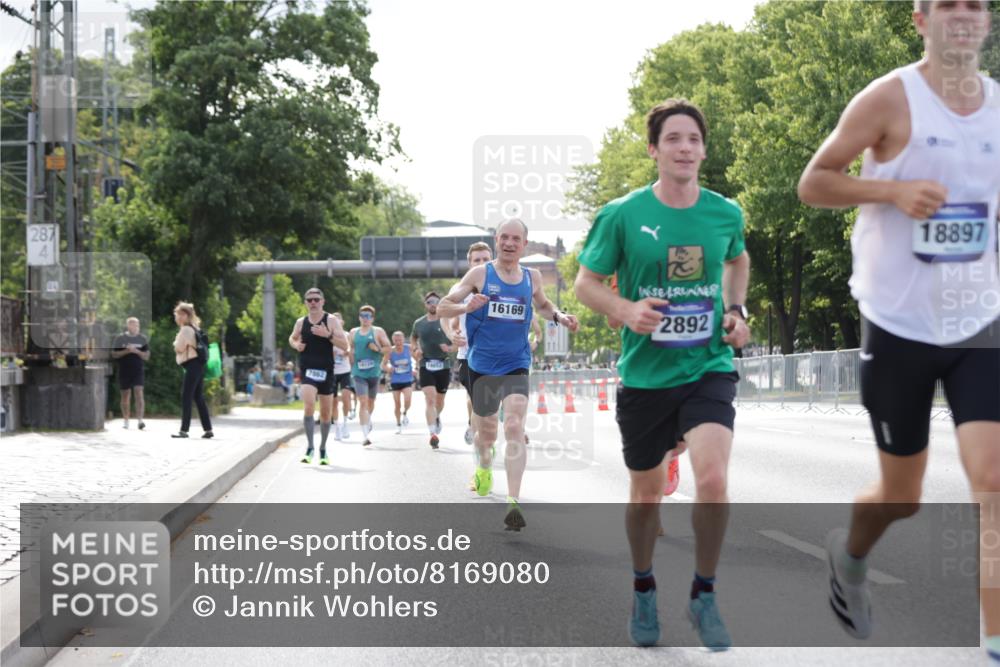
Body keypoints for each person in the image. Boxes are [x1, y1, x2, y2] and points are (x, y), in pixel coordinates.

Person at [797, 1, 1000, 657]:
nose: (963, 14)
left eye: (976, 4)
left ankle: (993, 638)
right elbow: (814, 182)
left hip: (980, 320)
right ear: (921, 20)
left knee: (993, 480)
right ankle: (850, 553)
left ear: (987, 22)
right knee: (902, 495)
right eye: (948, 4)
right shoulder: (889, 98)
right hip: (897, 323)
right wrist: (892, 192)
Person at [574, 98, 751, 650]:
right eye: (673, 139)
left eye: (694, 139)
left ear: (704, 149)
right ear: (654, 150)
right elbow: (586, 284)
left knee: (715, 478)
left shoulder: (725, 213)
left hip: (707, 367)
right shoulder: (622, 214)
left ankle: (704, 593)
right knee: (646, 497)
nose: (685, 148)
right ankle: (644, 585)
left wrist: (736, 309)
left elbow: (737, 259)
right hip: (646, 377)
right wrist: (626, 312)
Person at [439, 218, 579, 531]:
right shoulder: (480, 273)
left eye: (516, 238)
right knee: (486, 435)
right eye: (504, 237)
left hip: (517, 361)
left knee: (514, 425)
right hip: (482, 366)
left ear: (524, 244)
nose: (509, 243)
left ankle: (513, 503)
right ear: (497, 239)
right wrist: (466, 307)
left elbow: (541, 305)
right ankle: (484, 468)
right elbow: (444, 307)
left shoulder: (532, 277)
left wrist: (558, 316)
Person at [289, 288, 348, 465]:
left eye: (316, 299)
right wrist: (296, 345)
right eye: (309, 300)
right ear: (306, 303)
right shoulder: (301, 322)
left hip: (327, 371)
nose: (313, 303)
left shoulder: (331, 320)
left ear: (323, 301)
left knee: (325, 412)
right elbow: (292, 338)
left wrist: (328, 335)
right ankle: (309, 447)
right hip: (308, 369)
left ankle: (322, 448)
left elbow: (345, 345)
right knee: (308, 405)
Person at [446, 242, 494, 446]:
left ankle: (483, 441)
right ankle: (483, 448)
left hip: (502, 356)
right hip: (470, 356)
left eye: (486, 259)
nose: (482, 263)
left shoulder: (505, 284)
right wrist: (451, 334)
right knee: (481, 406)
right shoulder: (460, 289)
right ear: (469, 263)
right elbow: (444, 312)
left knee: (490, 408)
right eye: (477, 260)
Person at [410, 291, 455, 449]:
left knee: (439, 401)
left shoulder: (446, 321)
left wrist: (449, 348)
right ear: (425, 304)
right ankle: (432, 433)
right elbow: (413, 339)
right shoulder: (419, 323)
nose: (432, 304)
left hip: (443, 364)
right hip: (425, 364)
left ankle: (436, 417)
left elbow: (457, 341)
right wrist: (415, 350)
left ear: (440, 302)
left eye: (435, 301)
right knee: (429, 399)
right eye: (429, 302)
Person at [171, 302, 215, 439]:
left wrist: (175, 342)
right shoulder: (196, 328)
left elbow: (179, 348)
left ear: (185, 315)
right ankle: (208, 429)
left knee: (186, 396)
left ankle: (184, 430)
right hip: (199, 365)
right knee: (198, 397)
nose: (177, 317)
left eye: (178, 314)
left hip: (192, 365)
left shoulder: (185, 330)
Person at [350, 305, 391, 446]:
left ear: (372, 318)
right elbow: (351, 350)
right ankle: (364, 435)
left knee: (371, 403)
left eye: (368, 316)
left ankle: (368, 419)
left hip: (373, 373)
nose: (365, 318)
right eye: (362, 315)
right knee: (362, 401)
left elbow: (388, 349)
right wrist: (350, 364)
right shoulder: (353, 332)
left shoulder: (378, 331)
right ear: (359, 317)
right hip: (358, 372)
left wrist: (377, 348)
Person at [111, 317, 149, 430]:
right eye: (133, 325)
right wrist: (126, 351)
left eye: (137, 325)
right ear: (128, 326)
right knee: (125, 395)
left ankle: (140, 421)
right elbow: (114, 354)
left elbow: (147, 356)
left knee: (139, 392)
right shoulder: (120, 338)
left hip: (138, 370)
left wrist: (136, 351)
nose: (136, 327)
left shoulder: (142, 339)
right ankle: (126, 420)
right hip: (124, 370)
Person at [383, 331, 414, 434]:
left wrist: (417, 368)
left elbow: (417, 358)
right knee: (397, 404)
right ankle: (398, 424)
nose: (398, 342)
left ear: (403, 339)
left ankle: (405, 413)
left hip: (407, 379)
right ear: (393, 341)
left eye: (400, 340)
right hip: (395, 380)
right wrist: (388, 368)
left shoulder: (409, 348)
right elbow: (382, 364)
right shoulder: (390, 351)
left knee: (408, 400)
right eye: (396, 340)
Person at [330, 312, 355, 441]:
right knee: (333, 402)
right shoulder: (328, 336)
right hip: (332, 372)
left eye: (339, 321)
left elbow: (351, 349)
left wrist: (348, 352)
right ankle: (337, 428)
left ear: (342, 322)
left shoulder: (346, 335)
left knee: (346, 397)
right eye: (334, 321)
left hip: (345, 370)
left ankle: (345, 423)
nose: (337, 323)